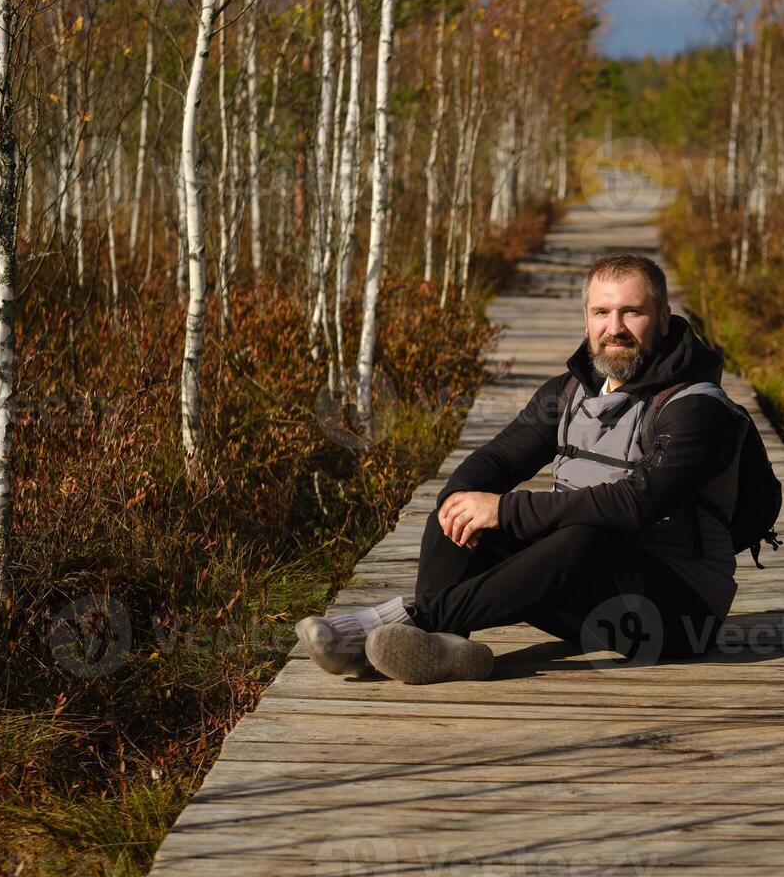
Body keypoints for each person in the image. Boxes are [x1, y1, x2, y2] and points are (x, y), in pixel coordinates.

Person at [295, 254, 745, 684]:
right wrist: (465, 501)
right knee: (457, 509)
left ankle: (411, 624)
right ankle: (445, 650)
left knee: (576, 540)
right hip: (589, 595)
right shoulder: (568, 392)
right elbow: (498, 459)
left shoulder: (696, 408)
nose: (615, 328)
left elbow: (636, 502)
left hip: (678, 615)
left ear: (664, 319)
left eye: (632, 313)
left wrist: (506, 510)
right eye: (602, 312)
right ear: (586, 320)